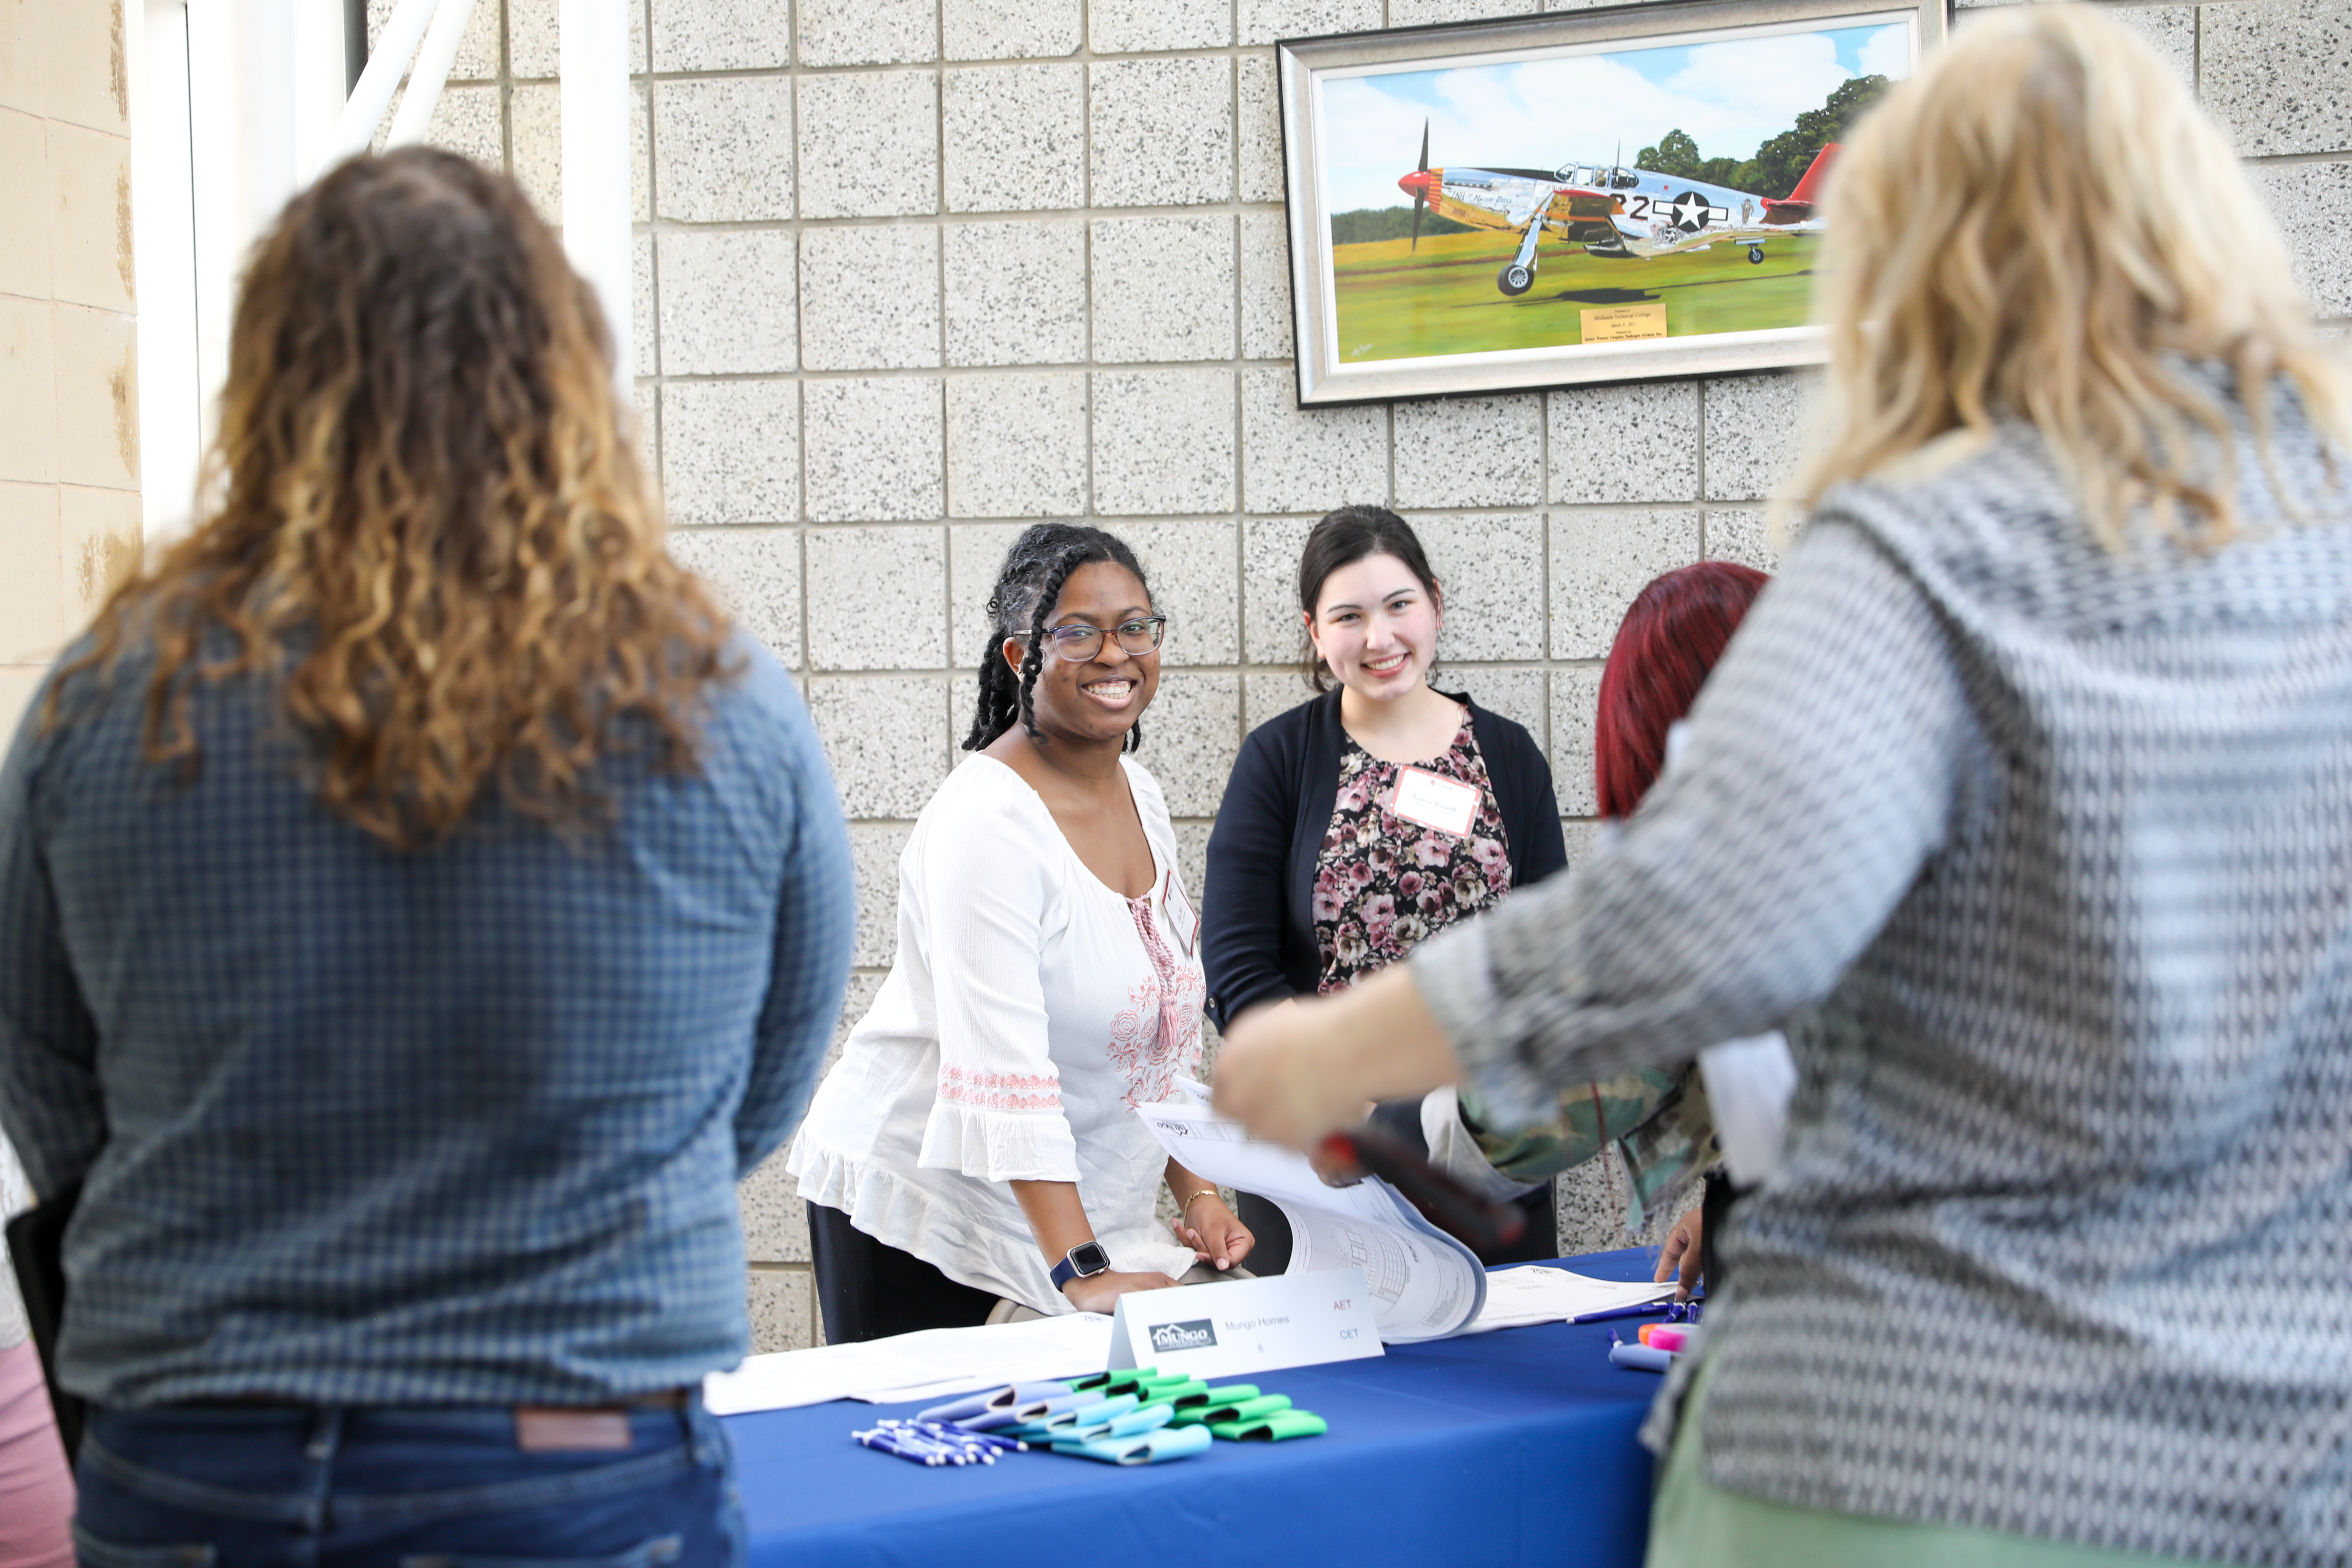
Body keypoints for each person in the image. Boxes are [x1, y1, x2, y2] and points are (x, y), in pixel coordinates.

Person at [1212, 10, 2352, 1567]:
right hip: (2281, 1457)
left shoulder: (1923, 553)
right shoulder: (2320, 560)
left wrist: (1333, 1049)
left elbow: (1698, 916)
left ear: (1916, 258)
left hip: (1917, 1447)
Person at [0, 149, 853, 1562]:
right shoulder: (719, 701)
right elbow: (754, 1097)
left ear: (271, 385)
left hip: (202, 1453)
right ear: (566, 380)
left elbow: (52, 1097)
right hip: (573, 1455)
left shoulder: (103, 701)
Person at [1201, 507, 1699, 1268]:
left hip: (1487, 1151)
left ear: (1435, 603)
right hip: (1319, 1151)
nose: (1380, 638)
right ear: (1314, 630)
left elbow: (1551, 958)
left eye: (1399, 606)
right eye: (1349, 617)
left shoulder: (1507, 754)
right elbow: (1238, 967)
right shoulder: (1280, 759)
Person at [789, 524, 1252, 1340]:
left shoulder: (1140, 794)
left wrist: (1200, 1193)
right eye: (1076, 633)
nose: (1115, 655)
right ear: (1018, 658)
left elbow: (1163, 1038)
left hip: (1061, 1210)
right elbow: (1005, 1060)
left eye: (1136, 627)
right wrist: (1083, 1270)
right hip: (927, 1212)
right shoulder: (985, 820)